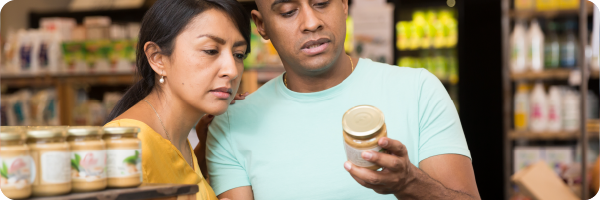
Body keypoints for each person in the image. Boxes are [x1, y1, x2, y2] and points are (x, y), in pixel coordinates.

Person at [199, 0, 481, 199]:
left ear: (344, 4)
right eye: (287, 11)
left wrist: (410, 183)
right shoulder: (231, 125)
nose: (311, 23)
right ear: (261, 25)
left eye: (322, 3)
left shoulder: (419, 89)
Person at [103, 0, 251, 199]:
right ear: (157, 58)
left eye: (238, 54)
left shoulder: (179, 141)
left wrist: (208, 148)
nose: (232, 70)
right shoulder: (125, 146)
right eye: (210, 51)